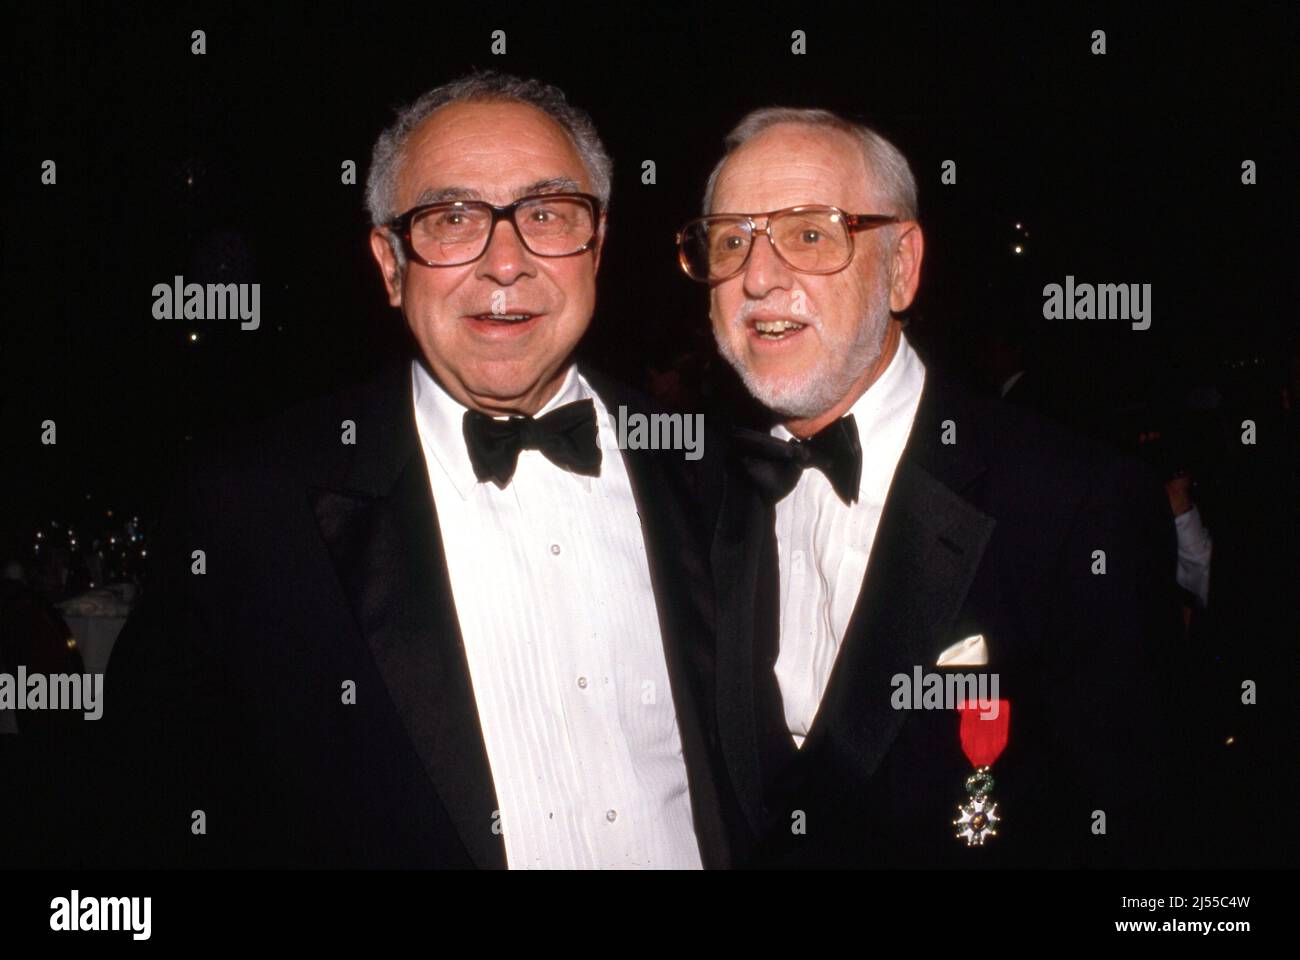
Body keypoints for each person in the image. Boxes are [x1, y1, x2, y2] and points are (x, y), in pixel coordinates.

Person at [101, 71, 734, 869]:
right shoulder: (247, 512)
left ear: (597, 246)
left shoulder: (715, 473)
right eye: (453, 218)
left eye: (545, 213)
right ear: (391, 263)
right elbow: (148, 821)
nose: (506, 262)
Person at [680, 107, 1186, 867]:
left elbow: (1140, 834)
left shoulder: (1075, 504)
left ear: (902, 266)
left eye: (810, 234)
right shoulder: (688, 493)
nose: (757, 276)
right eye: (730, 240)